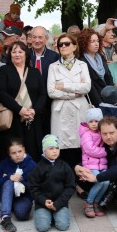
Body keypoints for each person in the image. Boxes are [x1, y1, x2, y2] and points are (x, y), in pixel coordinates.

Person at [0, 41, 46, 161]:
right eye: (14, 52)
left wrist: (34, 111)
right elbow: (1, 92)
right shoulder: (4, 70)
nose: (17, 54)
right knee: (14, 151)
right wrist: (20, 109)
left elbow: (42, 94)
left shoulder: (34, 72)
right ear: (10, 54)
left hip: (33, 119)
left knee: (33, 150)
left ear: (26, 54)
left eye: (20, 51)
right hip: (13, 119)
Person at [47, 34, 91, 168]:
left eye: (67, 44)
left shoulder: (82, 65)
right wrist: (74, 93)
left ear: (74, 46)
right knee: (62, 146)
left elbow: (86, 87)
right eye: (61, 44)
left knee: (80, 145)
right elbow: (51, 91)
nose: (63, 47)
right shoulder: (53, 67)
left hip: (79, 109)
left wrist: (63, 85)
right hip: (61, 111)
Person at [28, 134, 76, 232]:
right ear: (44, 151)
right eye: (51, 148)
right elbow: (33, 187)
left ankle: (56, 214)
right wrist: (43, 201)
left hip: (60, 202)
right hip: (43, 203)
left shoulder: (64, 166)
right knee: (42, 227)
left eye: (57, 148)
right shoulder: (38, 168)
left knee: (63, 226)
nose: (55, 151)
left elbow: (70, 187)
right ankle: (48, 215)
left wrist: (58, 203)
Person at [0, 138, 37, 232]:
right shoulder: (4, 163)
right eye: (13, 153)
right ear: (9, 154)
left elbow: (35, 188)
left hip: (23, 196)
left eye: (20, 151)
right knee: (9, 182)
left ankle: (8, 205)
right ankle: (5, 218)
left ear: (24, 150)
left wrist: (21, 181)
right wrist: (8, 177)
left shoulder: (31, 164)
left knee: (22, 215)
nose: (17, 155)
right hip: (6, 193)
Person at [79, 108, 109, 218]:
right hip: (90, 164)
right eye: (91, 121)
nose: (94, 124)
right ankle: (89, 202)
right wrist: (106, 152)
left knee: (106, 182)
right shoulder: (86, 135)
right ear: (87, 122)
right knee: (100, 181)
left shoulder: (101, 132)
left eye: (97, 121)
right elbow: (90, 150)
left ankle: (95, 202)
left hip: (102, 164)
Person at [77, 29, 114, 107]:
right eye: (92, 41)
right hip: (95, 102)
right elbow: (90, 86)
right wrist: (99, 103)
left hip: (108, 97)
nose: (96, 44)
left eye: (97, 41)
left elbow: (108, 76)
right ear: (84, 43)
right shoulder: (81, 61)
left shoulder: (101, 56)